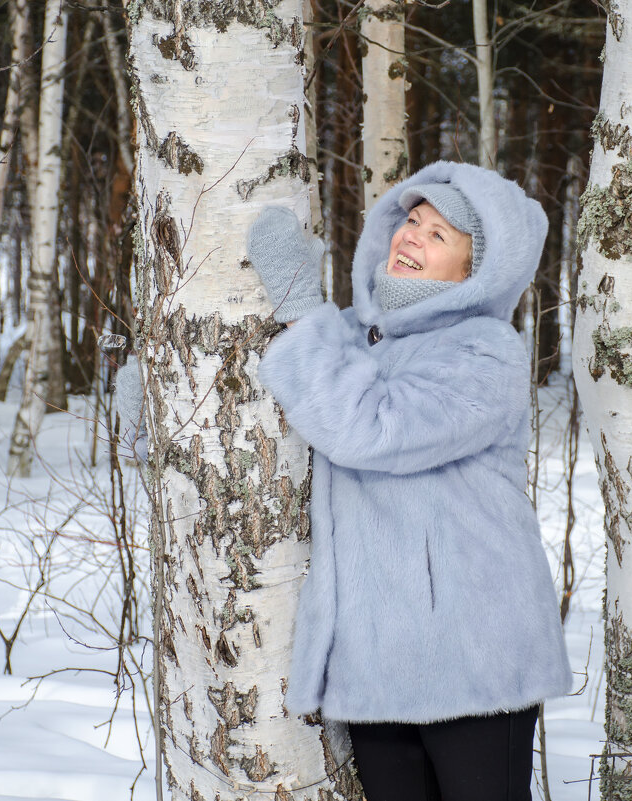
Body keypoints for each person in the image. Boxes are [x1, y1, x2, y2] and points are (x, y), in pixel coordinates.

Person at [248, 161, 571, 801]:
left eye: (440, 235)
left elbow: (370, 429)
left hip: (476, 661)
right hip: (375, 668)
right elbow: (276, 428)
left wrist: (298, 305)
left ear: (475, 272)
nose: (413, 237)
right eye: (412, 221)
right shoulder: (348, 341)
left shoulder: (484, 354)